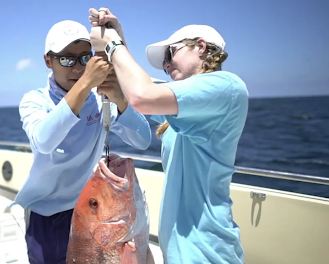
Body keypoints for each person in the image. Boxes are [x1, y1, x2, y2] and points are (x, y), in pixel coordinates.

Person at [88, 7, 248, 264]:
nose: (166, 64)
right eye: (164, 64)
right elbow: (133, 86)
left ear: (201, 46)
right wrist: (117, 36)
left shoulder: (226, 86)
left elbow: (142, 96)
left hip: (207, 252)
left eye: (170, 54)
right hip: (177, 253)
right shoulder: (185, 104)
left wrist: (113, 44)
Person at [11, 20, 152, 264]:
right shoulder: (35, 101)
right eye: (67, 59)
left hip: (94, 209)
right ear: (48, 60)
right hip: (47, 214)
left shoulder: (101, 100)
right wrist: (87, 83)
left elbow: (142, 140)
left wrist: (120, 98)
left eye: (84, 59)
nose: (77, 68)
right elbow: (43, 141)